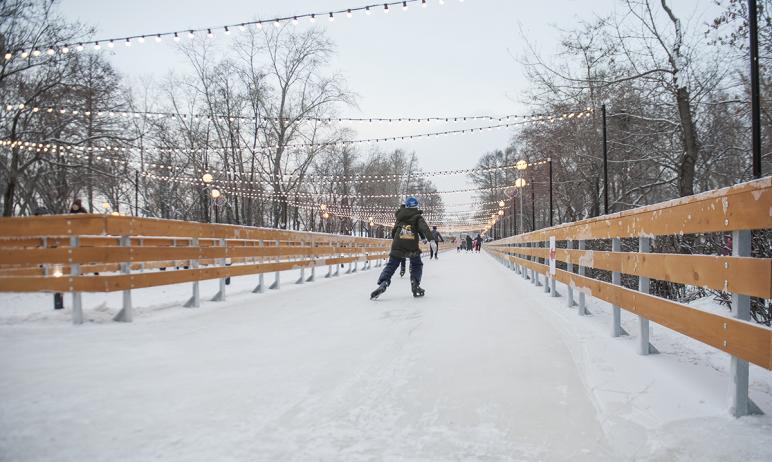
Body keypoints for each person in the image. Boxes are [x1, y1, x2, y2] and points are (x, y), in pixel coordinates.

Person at [370, 196, 434, 299]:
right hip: (411, 244)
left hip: (398, 243)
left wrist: (396, 241)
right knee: (416, 264)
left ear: (406, 205)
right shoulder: (417, 216)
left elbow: (394, 230)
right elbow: (423, 227)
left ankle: (384, 282)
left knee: (391, 265)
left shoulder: (400, 216)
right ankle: (415, 283)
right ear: (416, 206)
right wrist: (430, 239)